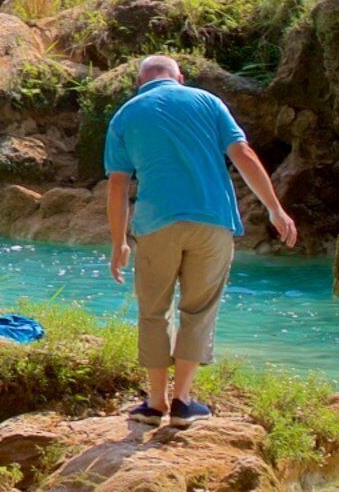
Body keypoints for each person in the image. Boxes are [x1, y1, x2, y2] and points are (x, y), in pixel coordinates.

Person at [102, 53, 298, 423]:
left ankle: (155, 402)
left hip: (156, 224)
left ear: (140, 82)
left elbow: (118, 185)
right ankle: (183, 402)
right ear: (179, 76)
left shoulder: (125, 115)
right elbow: (242, 154)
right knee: (199, 310)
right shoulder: (208, 101)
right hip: (212, 222)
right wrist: (274, 208)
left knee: (154, 312)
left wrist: (118, 242)